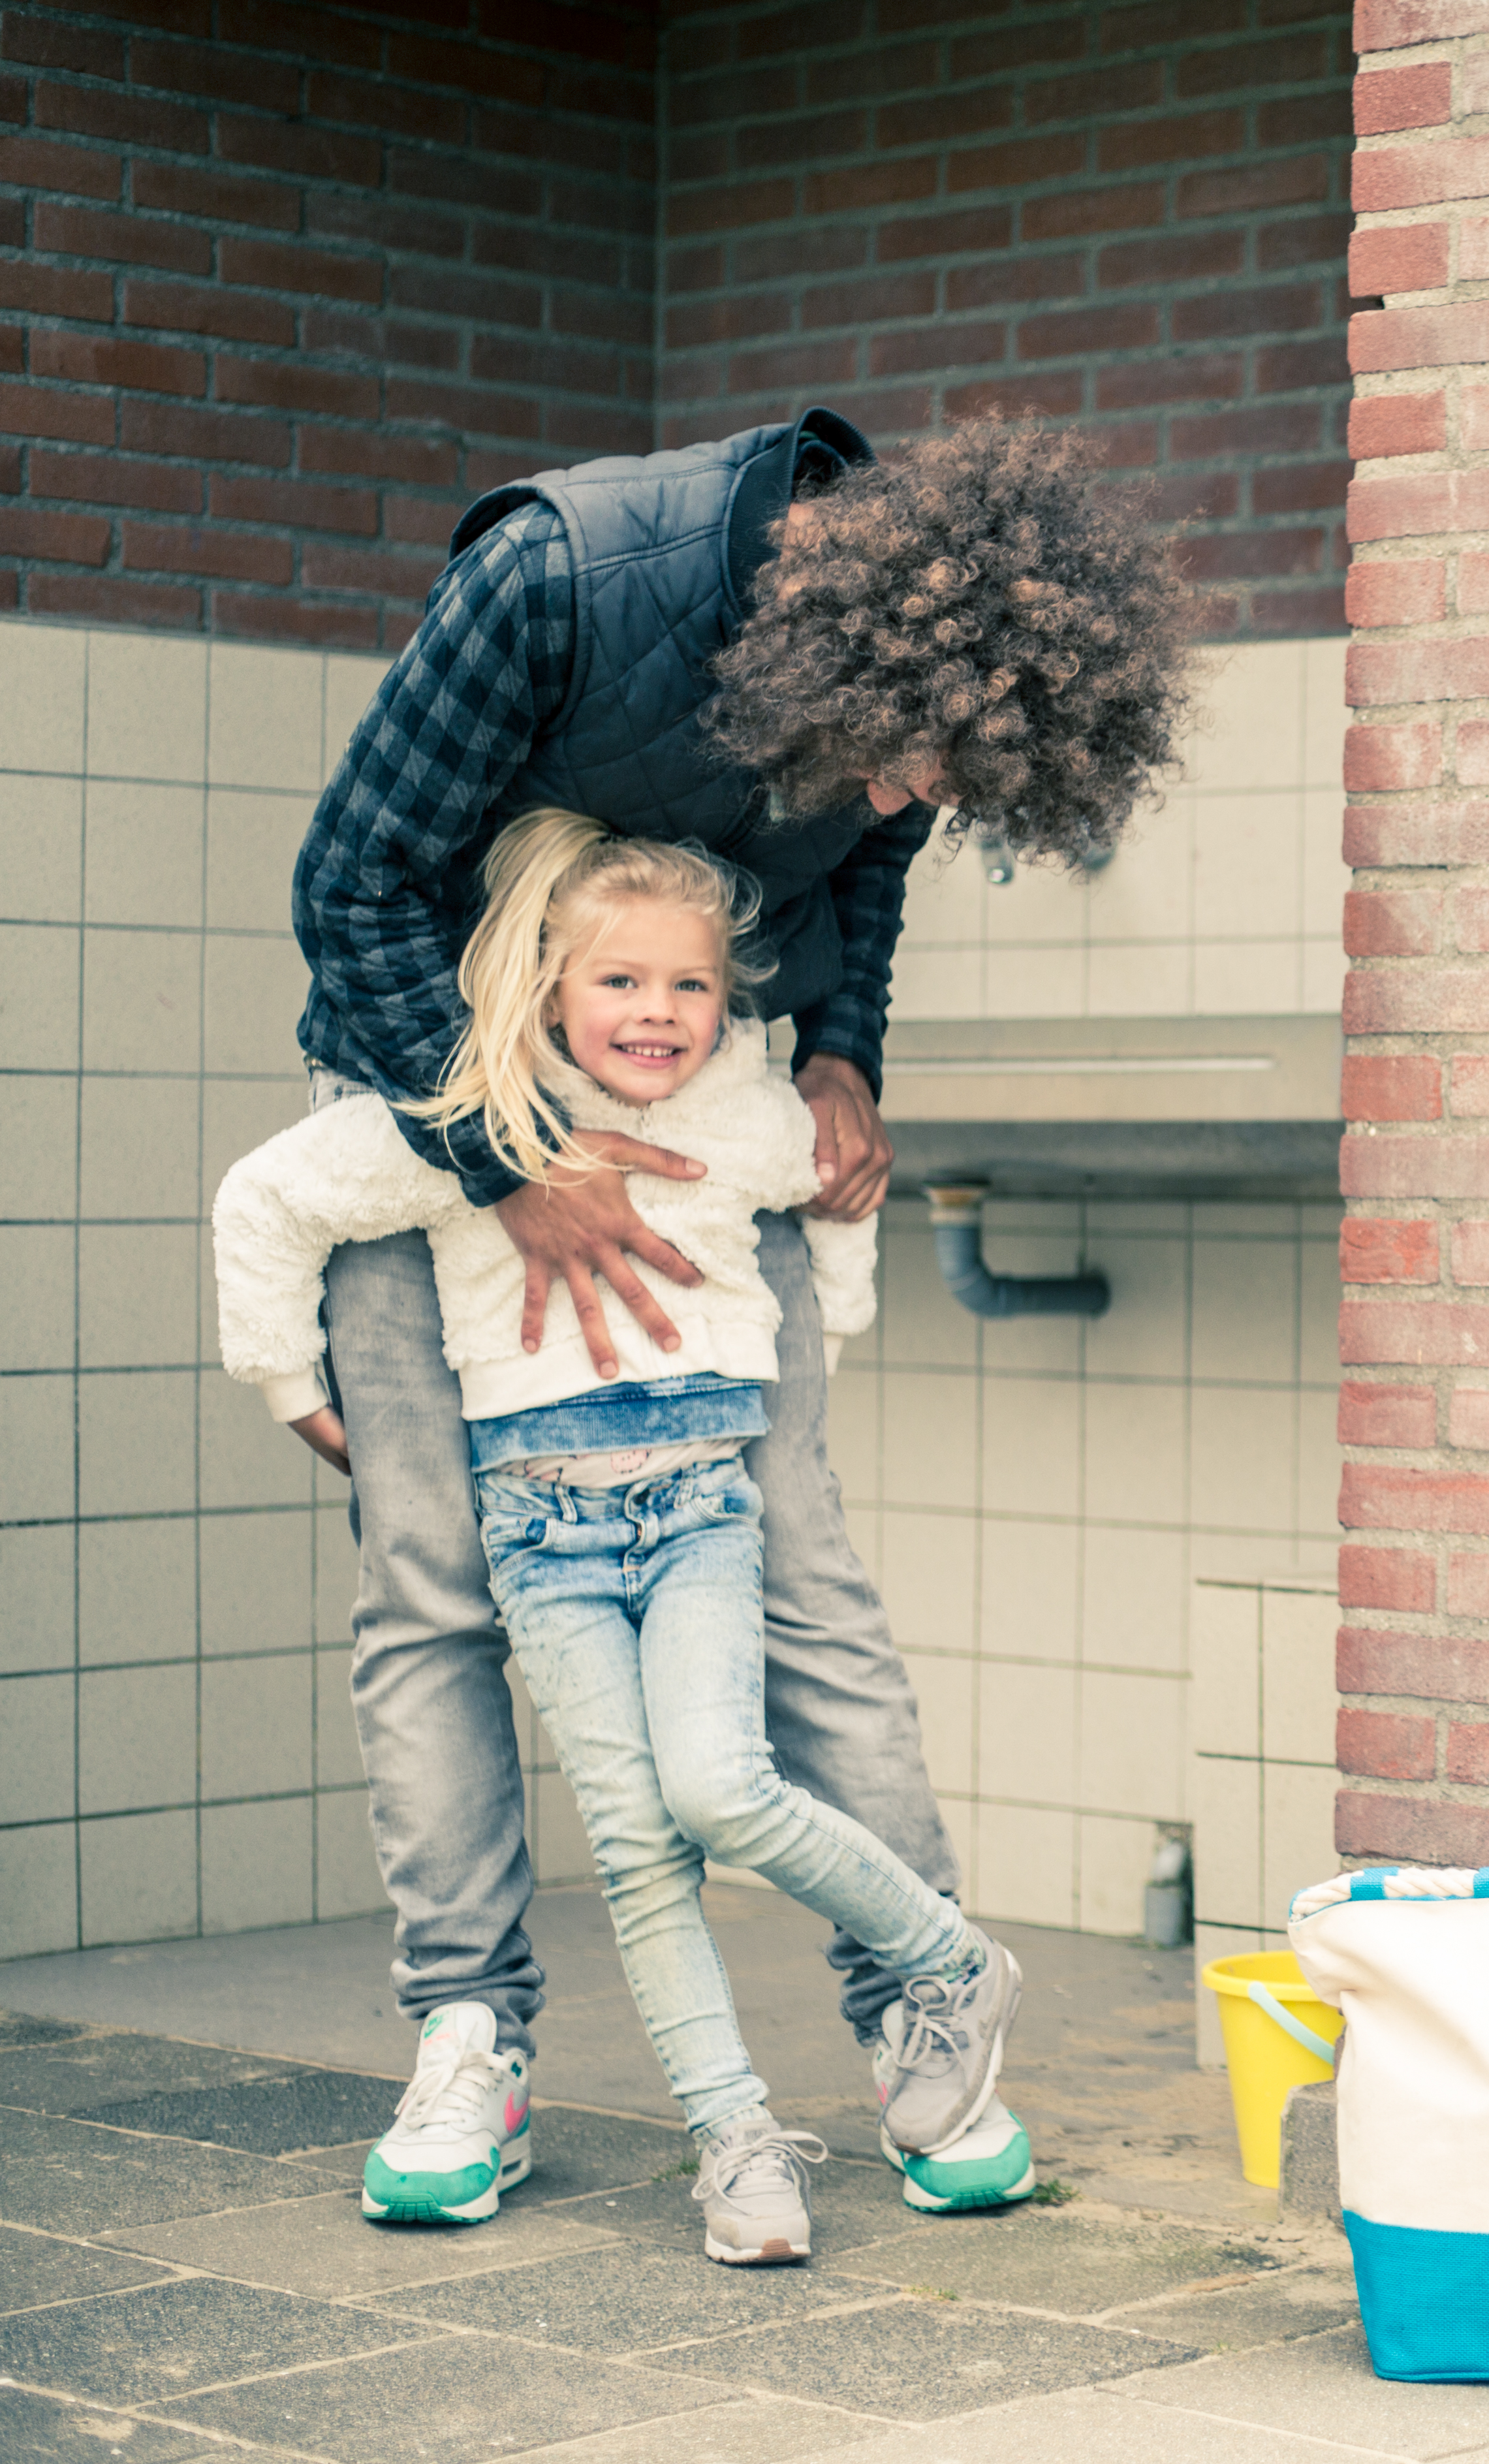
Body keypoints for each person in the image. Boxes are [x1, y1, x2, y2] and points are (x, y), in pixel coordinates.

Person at [285, 411, 1192, 2225]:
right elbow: (353, 887)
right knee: (435, 1578)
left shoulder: (914, 696)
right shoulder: (555, 583)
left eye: (940, 783)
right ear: (813, 658)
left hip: (704, 1140)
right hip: (427, 1113)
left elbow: (857, 875)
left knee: (801, 1566)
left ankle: (924, 2010)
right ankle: (474, 2033)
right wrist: (502, 1160)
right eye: (890, 763)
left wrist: (844, 1051)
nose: (895, 803)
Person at [223, 812, 1033, 2262]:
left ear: (729, 1000)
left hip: (698, 1504)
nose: (659, 1014)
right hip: (542, 1526)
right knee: (573, 1772)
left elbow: (823, 1173)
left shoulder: (734, 1104)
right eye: (621, 986)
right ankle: (657, 2108)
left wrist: (825, 1320)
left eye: (691, 989)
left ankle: (937, 1981)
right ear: (546, 990)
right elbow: (273, 1190)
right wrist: (289, 1382)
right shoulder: (471, 1113)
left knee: (731, 1762)